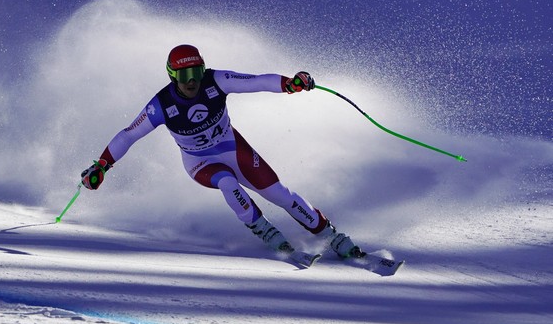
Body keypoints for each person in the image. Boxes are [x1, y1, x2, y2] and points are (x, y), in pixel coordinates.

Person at [81, 44, 363, 258]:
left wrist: (289, 84)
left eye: (196, 73)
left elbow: (256, 82)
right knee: (227, 181)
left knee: (280, 195)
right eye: (184, 75)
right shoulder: (161, 105)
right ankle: (263, 229)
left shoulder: (217, 80)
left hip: (233, 148)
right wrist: (102, 165)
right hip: (200, 162)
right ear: (172, 76)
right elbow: (130, 134)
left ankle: (331, 235)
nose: (192, 81)